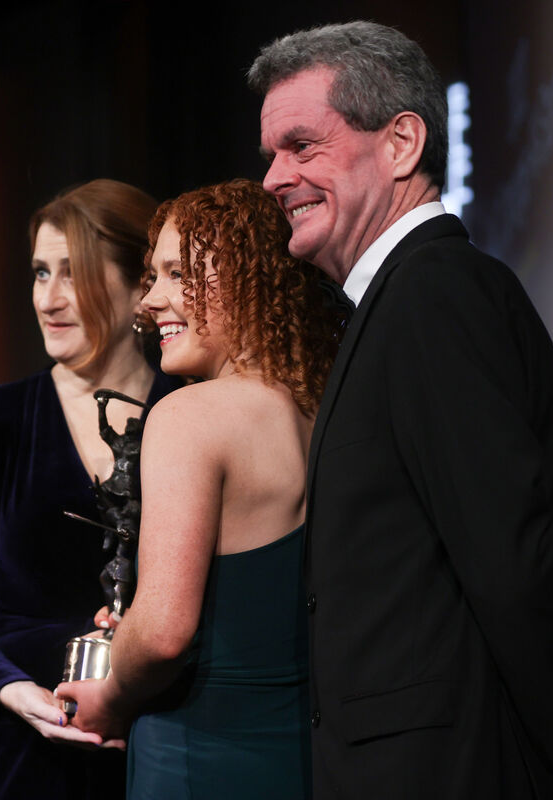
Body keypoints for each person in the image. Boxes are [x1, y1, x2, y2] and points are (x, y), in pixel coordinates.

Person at [248, 21, 553, 799]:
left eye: (301, 145)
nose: (274, 178)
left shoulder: (435, 294)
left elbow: (513, 566)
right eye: (272, 152)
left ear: (402, 142)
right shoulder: (398, 303)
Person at [54, 178, 344, 799]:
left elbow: (162, 634)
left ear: (247, 277)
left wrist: (110, 693)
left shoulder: (189, 417)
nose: (149, 301)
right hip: (305, 764)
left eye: (177, 274)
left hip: (200, 760)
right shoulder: (323, 415)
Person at [0, 179, 179, 799]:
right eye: (40, 273)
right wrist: (14, 694)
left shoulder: (193, 413)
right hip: (19, 757)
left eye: (74, 274)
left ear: (139, 285)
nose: (50, 298)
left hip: (163, 746)